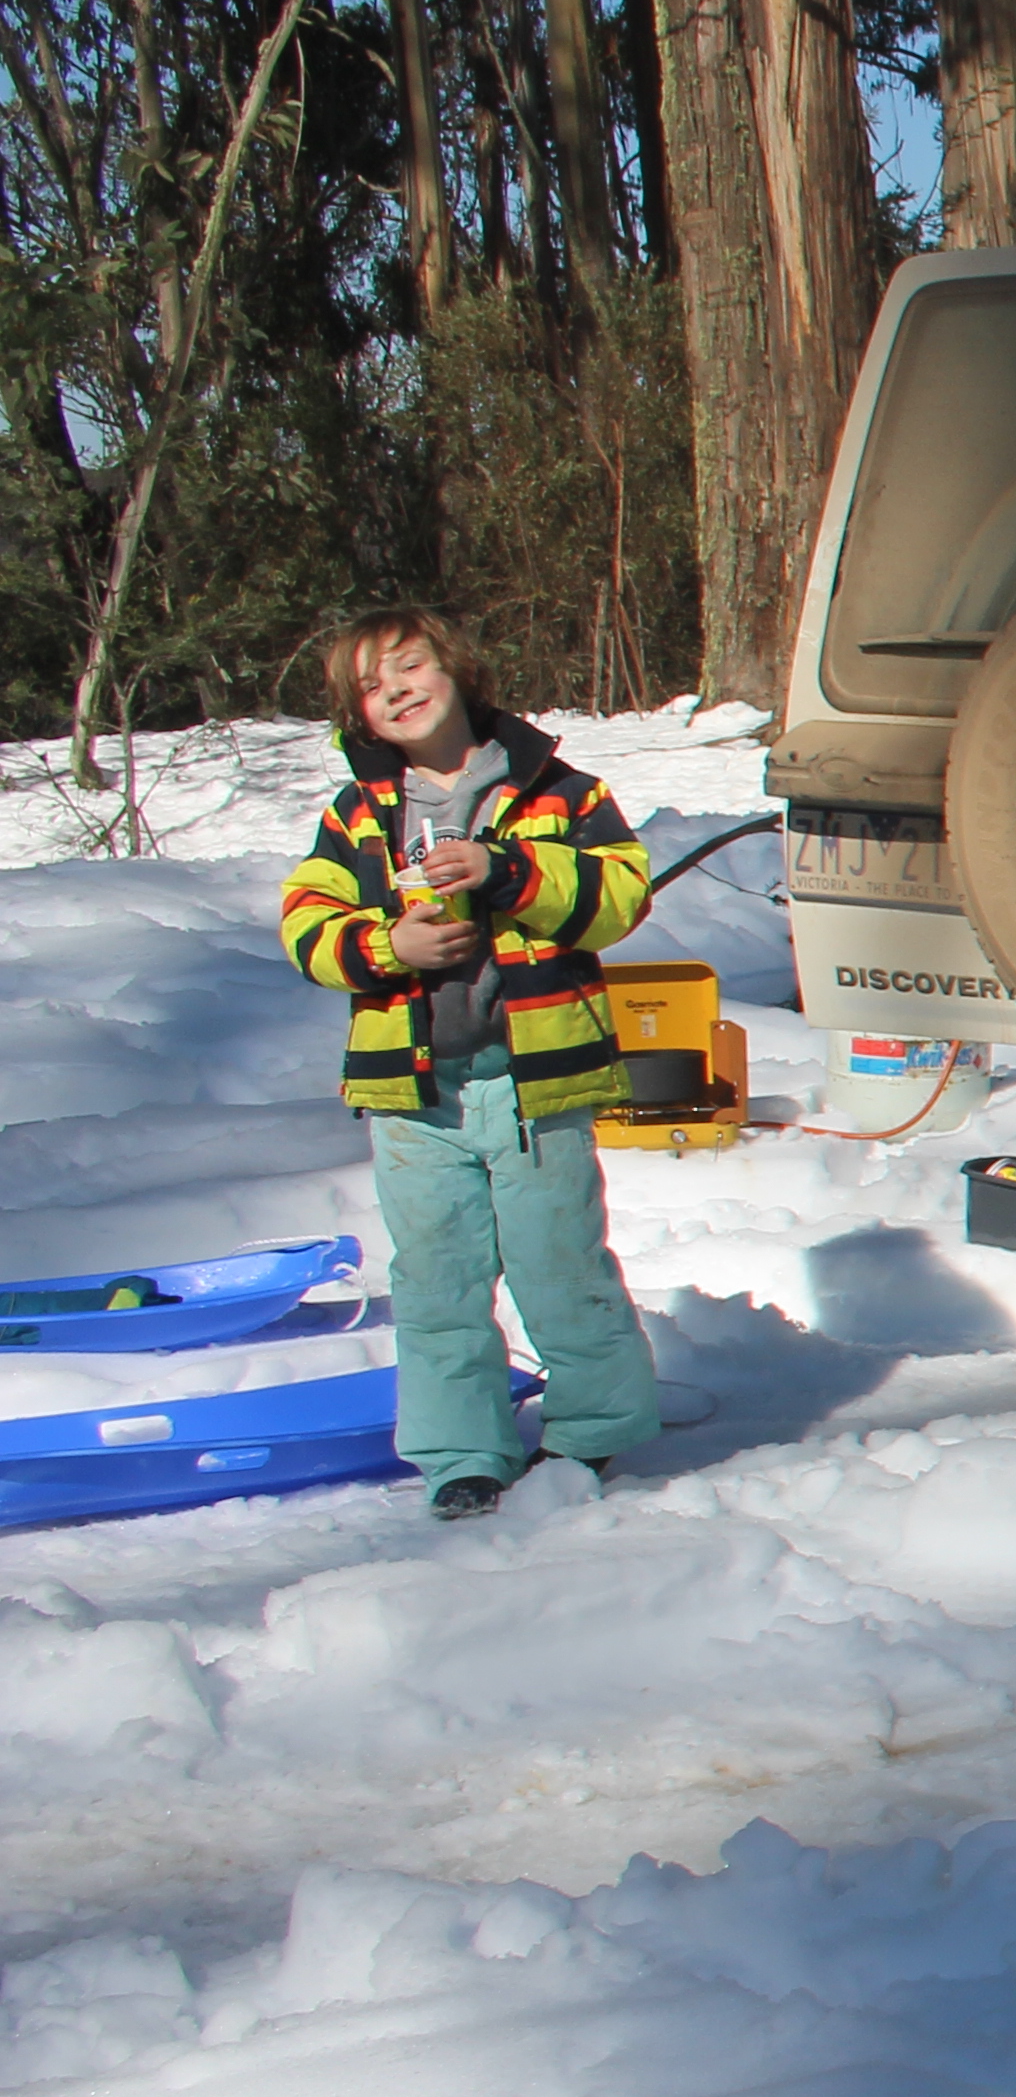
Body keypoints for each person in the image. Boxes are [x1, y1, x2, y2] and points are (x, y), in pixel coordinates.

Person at [276, 608, 664, 1521]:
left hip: (535, 1081)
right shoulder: (357, 815)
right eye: (374, 685)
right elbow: (304, 924)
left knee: (558, 1260)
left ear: (458, 670)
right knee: (436, 1276)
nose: (398, 690)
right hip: (415, 1093)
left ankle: (594, 1431)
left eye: (411, 667)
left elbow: (620, 896)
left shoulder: (556, 791)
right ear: (359, 716)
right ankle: (463, 1453)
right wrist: (389, 945)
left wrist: (506, 872)